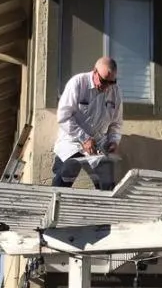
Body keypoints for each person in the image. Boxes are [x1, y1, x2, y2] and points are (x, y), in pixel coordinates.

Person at [52, 56, 123, 191]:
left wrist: (113, 141)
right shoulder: (78, 83)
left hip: (98, 145)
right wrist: (84, 138)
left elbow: (116, 123)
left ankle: (104, 210)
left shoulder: (116, 92)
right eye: (103, 81)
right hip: (72, 142)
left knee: (108, 185)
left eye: (111, 82)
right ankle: (54, 209)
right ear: (94, 72)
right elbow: (63, 117)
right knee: (63, 180)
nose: (106, 86)